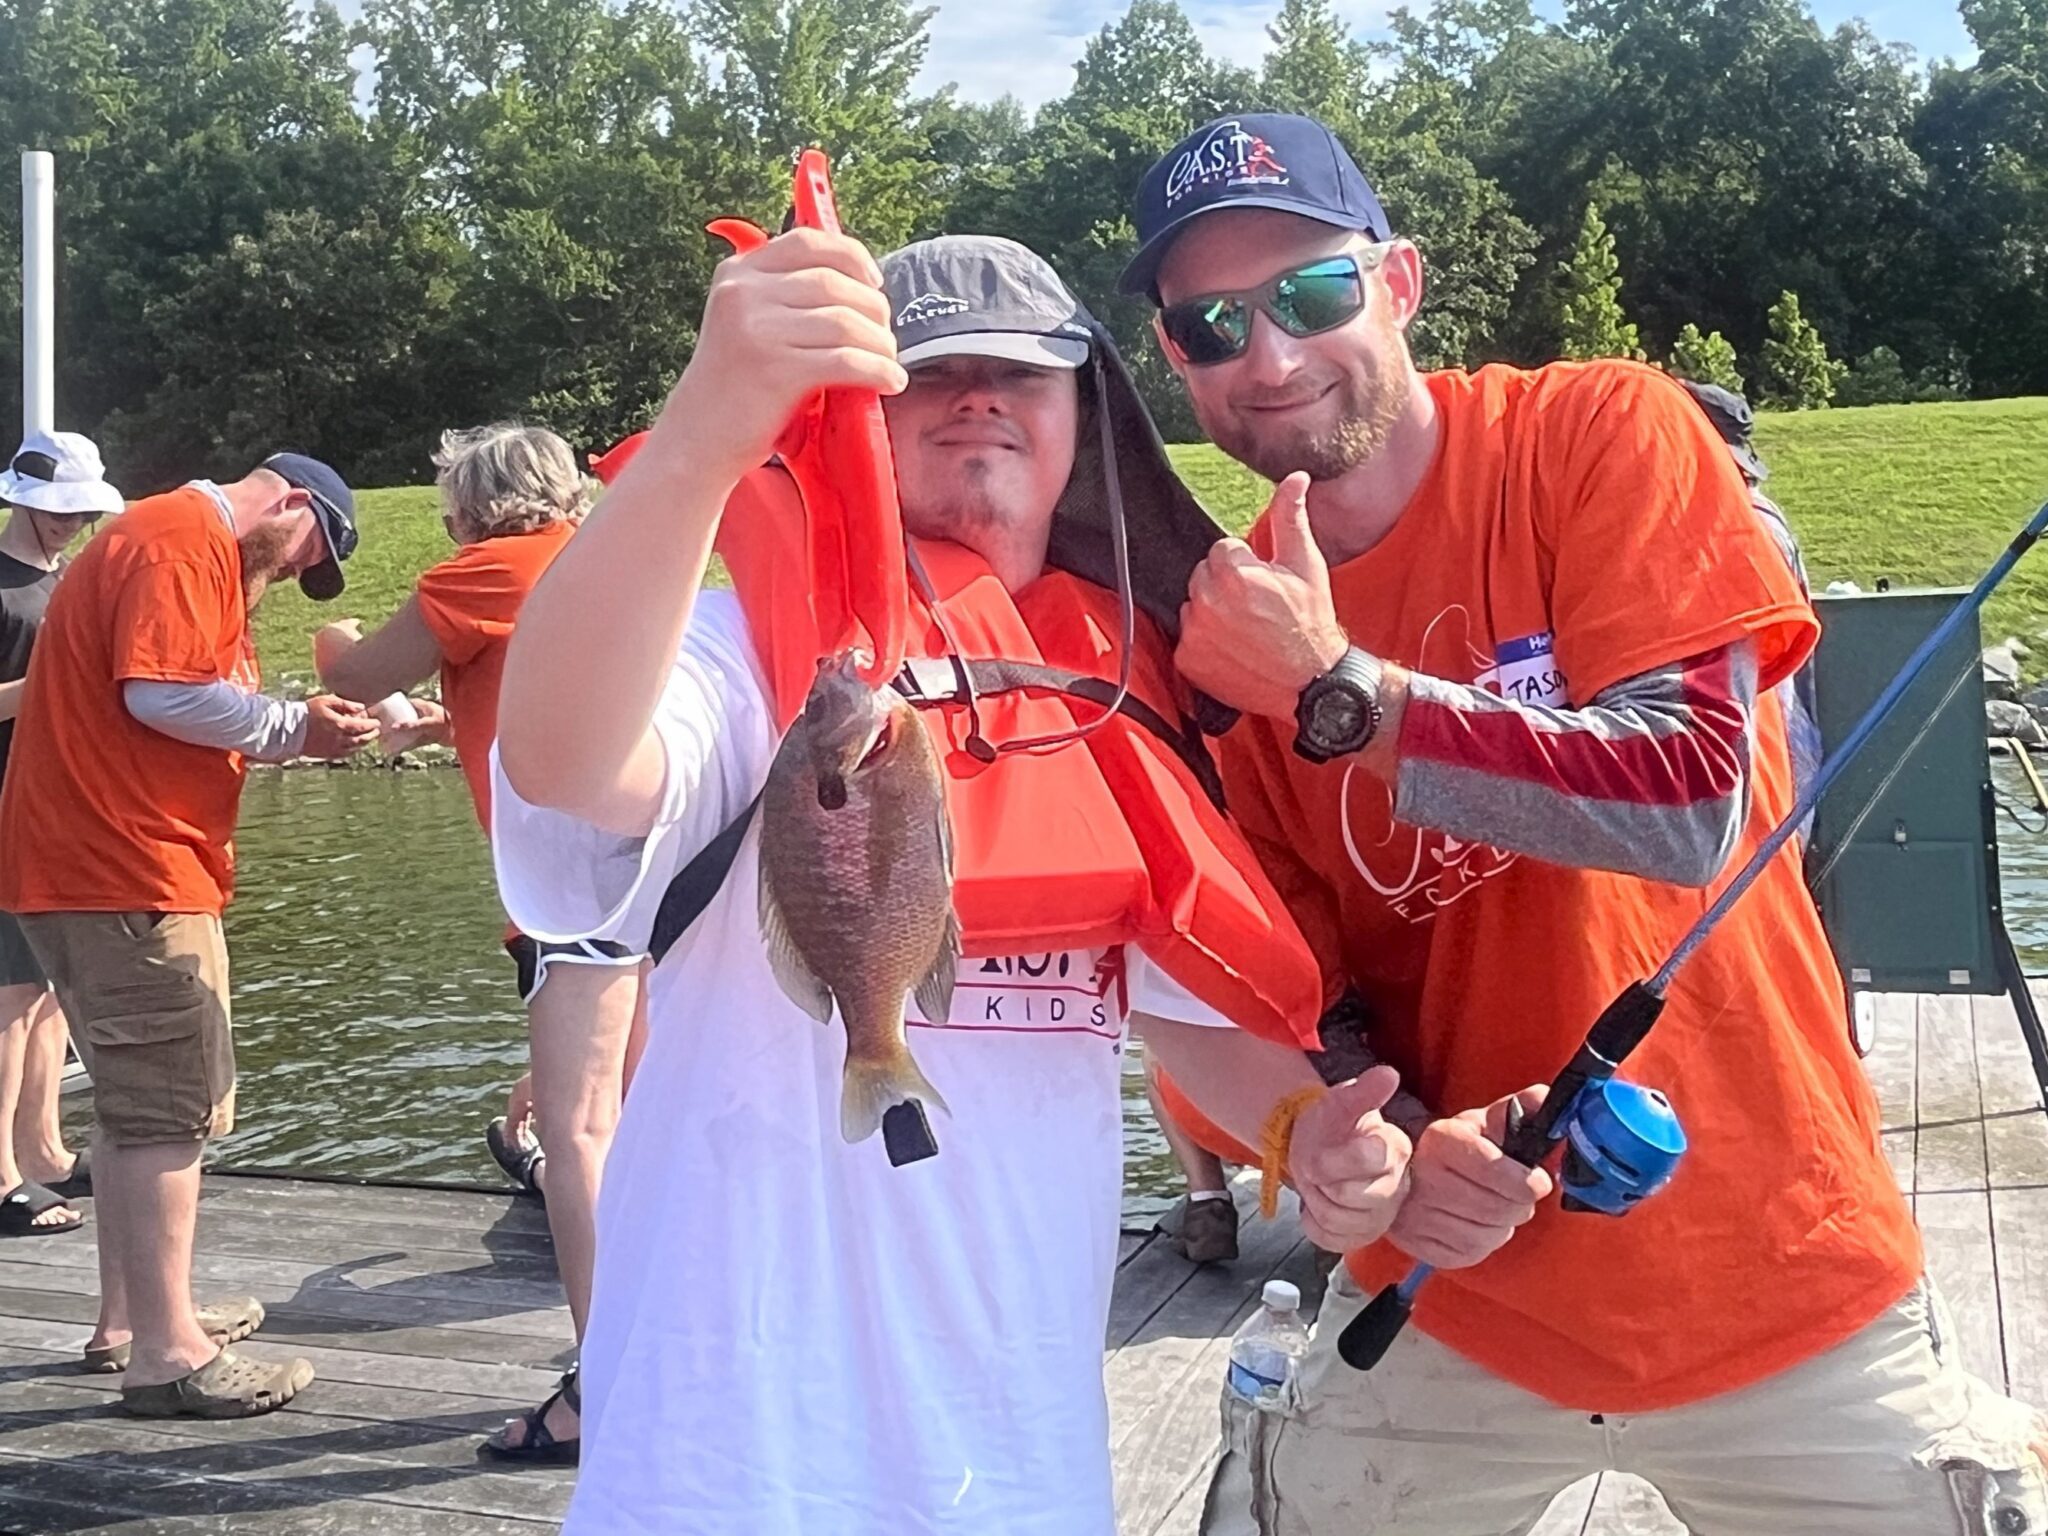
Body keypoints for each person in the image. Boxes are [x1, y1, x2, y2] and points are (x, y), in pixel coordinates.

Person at [1125, 112, 2048, 1534]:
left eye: (1313, 294)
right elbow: (1308, 986)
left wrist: (1337, 692)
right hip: (1449, 1313)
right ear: (1174, 359)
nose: (1272, 355)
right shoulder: (1224, 644)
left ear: (1404, 282)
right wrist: (1395, 1144)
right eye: (1209, 324)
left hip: (1784, 1267)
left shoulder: (1598, 430)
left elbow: (1687, 797)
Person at [490, 228, 1415, 1534]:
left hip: (1018, 1466)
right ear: (853, 419)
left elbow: (1182, 1015)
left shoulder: (1117, 700)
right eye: (926, 376)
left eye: (1022, 374)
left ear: (1081, 427)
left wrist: (1304, 1132)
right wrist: (703, 431)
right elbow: (564, 762)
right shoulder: (744, 666)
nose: (978, 395)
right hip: (728, 1468)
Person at [0, 454, 373, 1416]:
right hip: (125, 871)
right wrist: (294, 723)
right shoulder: (179, 542)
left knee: (135, 1108)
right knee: (170, 1109)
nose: (292, 575)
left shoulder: (171, 544)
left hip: (97, 868)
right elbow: (158, 696)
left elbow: (179, 708)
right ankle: (169, 1357)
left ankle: (131, 1322)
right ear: (288, 504)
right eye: (306, 553)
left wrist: (323, 727)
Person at [312, 421, 646, 1461]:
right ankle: (677, 1347)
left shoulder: (478, 574)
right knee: (643, 1121)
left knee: (580, 1138)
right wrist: (436, 720)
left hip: (569, 893)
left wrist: (340, 638)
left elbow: (355, 675)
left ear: (470, 503)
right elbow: (532, 692)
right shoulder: (614, 551)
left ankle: (606, 1392)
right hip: (665, 873)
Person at [0, 432, 121, 1237]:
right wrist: (50, 684)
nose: (68, 524)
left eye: (79, 512)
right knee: (8, 996)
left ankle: (40, 1148)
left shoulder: (59, 580)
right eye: (56, 512)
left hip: (47, 803)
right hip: (3, 802)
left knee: (43, 991)